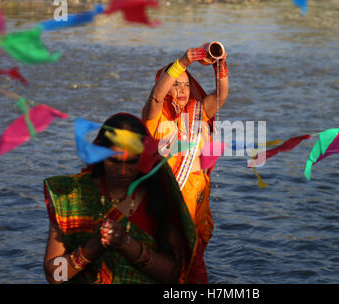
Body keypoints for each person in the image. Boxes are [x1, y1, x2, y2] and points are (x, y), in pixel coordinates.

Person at [43, 113, 197, 284]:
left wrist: (126, 244)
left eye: (132, 162)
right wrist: (94, 246)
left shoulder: (158, 195)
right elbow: (54, 276)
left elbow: (172, 275)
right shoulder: (71, 195)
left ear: (145, 156)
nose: (122, 171)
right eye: (113, 161)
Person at [142, 44, 229, 283]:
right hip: (168, 210)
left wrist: (220, 64)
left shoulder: (200, 113)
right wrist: (183, 61)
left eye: (186, 84)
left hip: (198, 209)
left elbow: (221, 94)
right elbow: (156, 96)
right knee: (169, 272)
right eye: (175, 84)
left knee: (195, 273)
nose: (182, 90)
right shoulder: (155, 118)